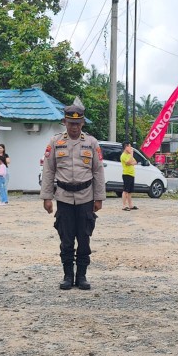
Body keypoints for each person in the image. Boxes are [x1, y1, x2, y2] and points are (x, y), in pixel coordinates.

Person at [40, 98, 106, 290]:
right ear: (65, 122)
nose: (74, 127)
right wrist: (47, 197)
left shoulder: (92, 143)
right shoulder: (55, 142)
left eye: (78, 123)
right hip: (64, 197)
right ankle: (68, 276)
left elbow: (98, 171)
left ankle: (82, 276)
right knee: (66, 239)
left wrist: (99, 198)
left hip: (86, 197)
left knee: (84, 238)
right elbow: (49, 170)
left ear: (82, 123)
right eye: (71, 123)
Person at [120, 142, 138, 211]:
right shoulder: (123, 155)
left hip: (132, 174)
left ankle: (130, 205)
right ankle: (124, 206)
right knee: (125, 190)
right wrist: (131, 155)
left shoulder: (129, 155)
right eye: (129, 147)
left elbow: (135, 162)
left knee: (130, 191)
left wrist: (131, 161)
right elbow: (128, 162)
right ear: (126, 147)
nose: (130, 148)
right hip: (126, 174)